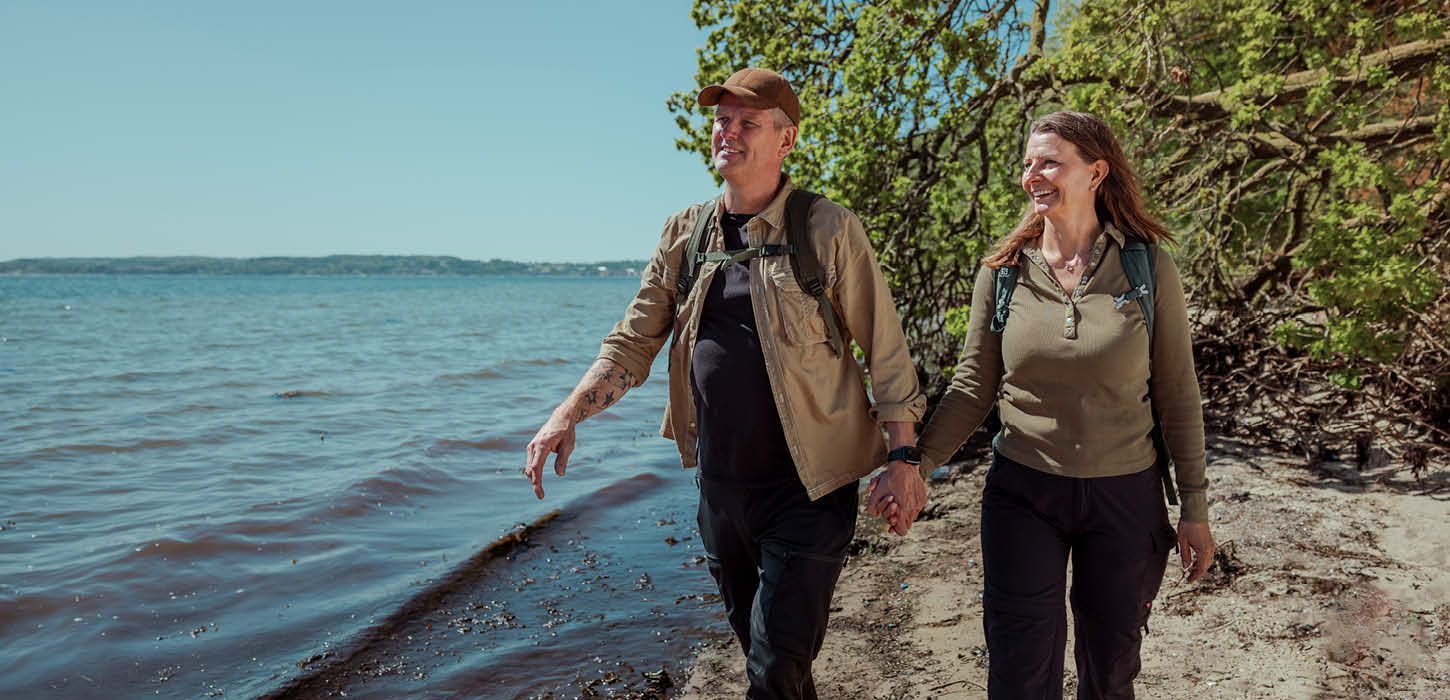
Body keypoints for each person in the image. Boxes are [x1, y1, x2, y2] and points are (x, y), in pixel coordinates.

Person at [522, 67, 926, 700]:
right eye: (721, 120)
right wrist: (567, 414)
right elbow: (633, 341)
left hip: (810, 490)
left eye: (747, 123)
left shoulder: (825, 229)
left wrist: (902, 460)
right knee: (772, 664)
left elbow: (887, 351)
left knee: (772, 670)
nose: (727, 133)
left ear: (786, 140)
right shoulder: (686, 235)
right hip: (721, 490)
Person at [872, 110, 1216, 699]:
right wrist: (913, 465)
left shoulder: (1148, 266)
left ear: (1096, 171)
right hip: (1023, 494)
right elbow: (974, 386)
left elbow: (1178, 394)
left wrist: (1195, 507)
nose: (1033, 174)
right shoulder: (1003, 273)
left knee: (1111, 671)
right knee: (1018, 670)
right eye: (1028, 163)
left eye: (1050, 161)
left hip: (1125, 497)